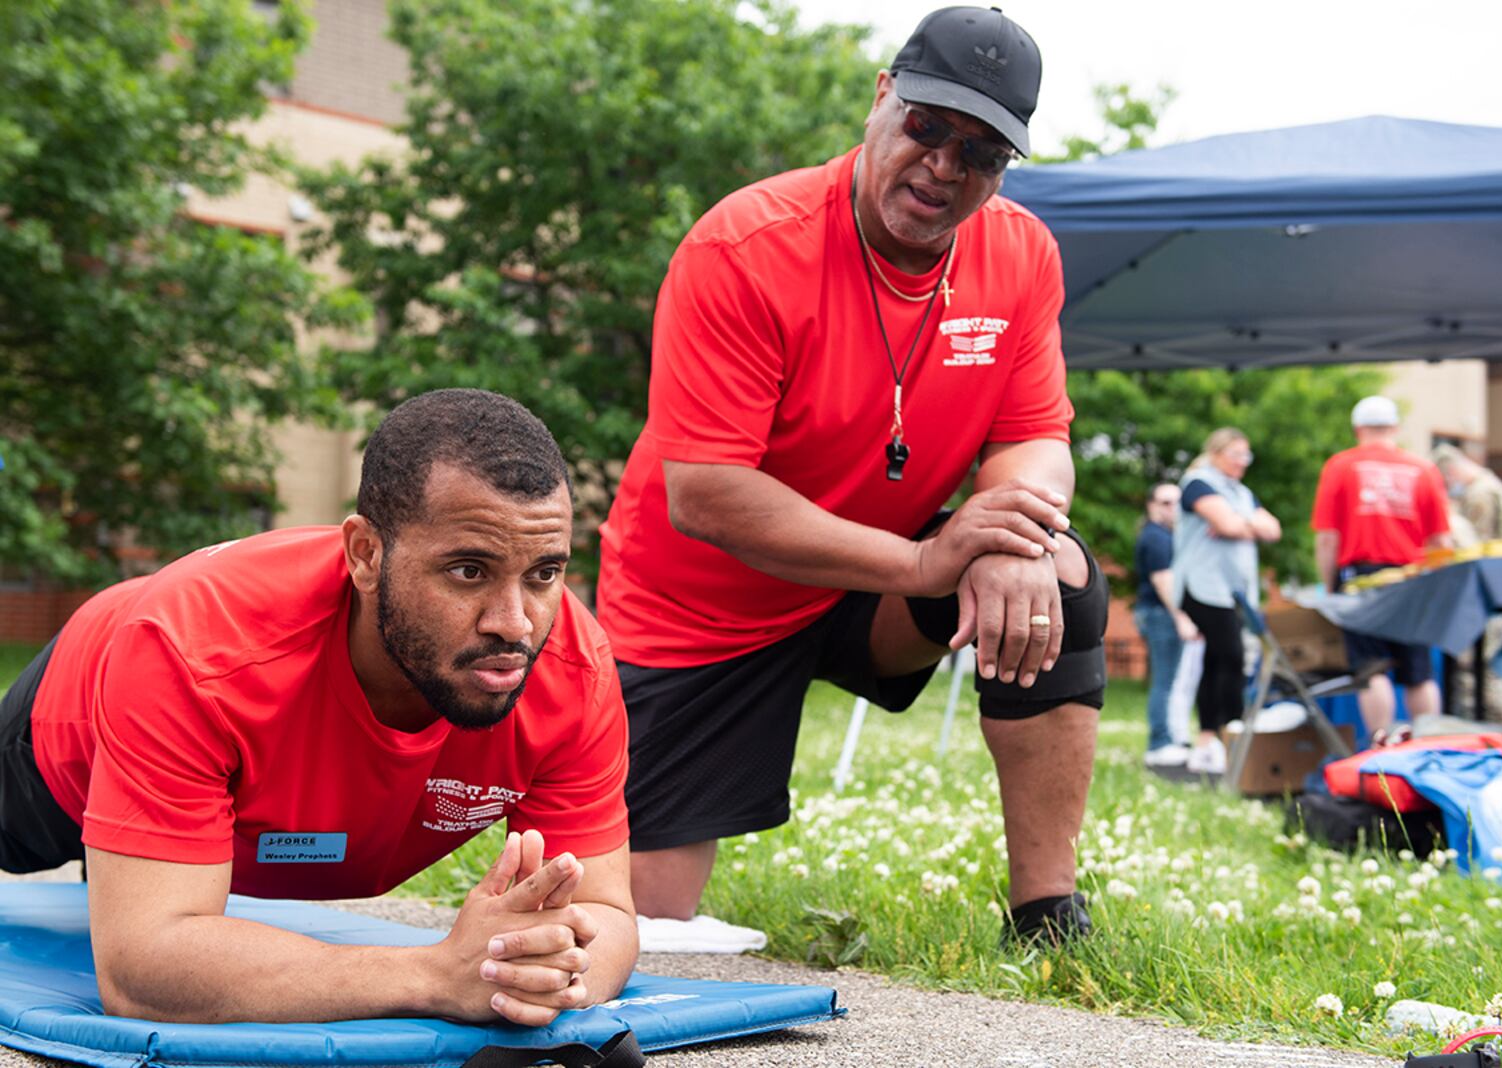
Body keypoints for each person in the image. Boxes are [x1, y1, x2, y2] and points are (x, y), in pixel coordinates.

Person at [597, 6, 1108, 947]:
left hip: (866, 596)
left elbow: (1036, 437)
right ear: (883, 98)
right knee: (637, 925)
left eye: (984, 153)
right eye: (928, 128)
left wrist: (1012, 533)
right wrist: (924, 565)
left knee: (1059, 576)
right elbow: (705, 491)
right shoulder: (745, 247)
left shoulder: (1022, 252)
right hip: (702, 611)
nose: (946, 168)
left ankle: (1048, 915)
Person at [0, 390, 637, 1025]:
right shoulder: (192, 650)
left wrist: (544, 974)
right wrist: (436, 973)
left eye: (544, 573)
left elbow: (607, 917)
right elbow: (142, 971)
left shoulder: (572, 670)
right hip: (75, 726)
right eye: (469, 571)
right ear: (365, 555)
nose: (514, 623)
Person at [1312, 395, 1452, 735]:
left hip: (1364, 581)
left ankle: (1381, 747)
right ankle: (1426, 746)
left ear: (1358, 428)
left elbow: (1327, 538)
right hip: (1413, 579)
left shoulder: (1340, 466)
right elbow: (1442, 542)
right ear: (1395, 428)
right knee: (1419, 673)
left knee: (1372, 671)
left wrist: (1330, 588)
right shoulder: (1423, 469)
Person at [1170, 429, 1282, 774]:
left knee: (1220, 660)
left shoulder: (1242, 493)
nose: (1242, 462)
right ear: (1217, 452)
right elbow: (1226, 523)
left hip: (1234, 591)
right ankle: (1227, 732)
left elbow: (1272, 529)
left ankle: (1211, 738)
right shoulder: (1198, 483)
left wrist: (1239, 524)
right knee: (1231, 656)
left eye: (1246, 456)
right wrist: (1243, 525)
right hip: (1204, 587)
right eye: (1236, 454)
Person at [1433, 443, 1502, 723]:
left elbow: (1474, 548)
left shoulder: (1481, 494)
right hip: (1500, 587)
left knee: (1477, 671)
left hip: (1483, 592)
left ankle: (1490, 731)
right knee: (1489, 668)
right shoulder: (1497, 488)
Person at [1133, 483, 1198, 767]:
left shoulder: (1166, 536)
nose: (1172, 508)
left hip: (1158, 613)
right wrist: (1181, 617)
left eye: (1176, 502)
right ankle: (1159, 742)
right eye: (1165, 502)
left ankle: (1169, 738)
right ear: (1151, 505)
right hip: (1161, 615)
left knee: (1170, 680)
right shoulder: (1157, 537)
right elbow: (1163, 581)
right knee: (1165, 681)